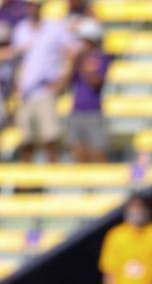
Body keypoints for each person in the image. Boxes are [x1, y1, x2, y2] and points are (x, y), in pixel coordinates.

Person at [13, 0, 75, 162]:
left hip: (45, 90)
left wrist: (62, 81)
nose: (31, 8)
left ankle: (52, 180)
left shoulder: (54, 28)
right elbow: (18, 61)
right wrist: (16, 87)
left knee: (50, 138)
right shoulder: (20, 29)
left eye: (34, 5)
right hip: (25, 91)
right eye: (29, 5)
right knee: (26, 141)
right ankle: (27, 184)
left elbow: (71, 53)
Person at [60, 16, 109, 163]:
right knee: (78, 153)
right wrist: (71, 63)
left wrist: (80, 63)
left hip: (93, 112)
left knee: (97, 154)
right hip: (76, 112)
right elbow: (66, 83)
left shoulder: (101, 58)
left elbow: (96, 82)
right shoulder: (77, 60)